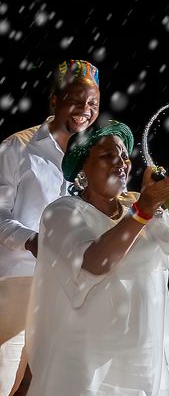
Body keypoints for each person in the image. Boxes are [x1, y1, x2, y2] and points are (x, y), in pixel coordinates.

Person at [25, 121, 169, 396]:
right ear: (82, 171)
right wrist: (143, 211)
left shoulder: (136, 204)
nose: (121, 162)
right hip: (87, 370)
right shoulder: (61, 213)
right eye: (107, 155)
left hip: (144, 365)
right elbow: (94, 263)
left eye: (124, 155)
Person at [0, 60, 100, 396]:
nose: (84, 110)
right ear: (55, 100)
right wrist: (32, 242)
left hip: (65, 295)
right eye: (76, 99)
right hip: (17, 284)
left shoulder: (90, 163)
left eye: (93, 104)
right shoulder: (18, 147)